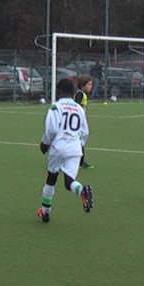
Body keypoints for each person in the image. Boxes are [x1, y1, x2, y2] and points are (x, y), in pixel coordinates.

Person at [37, 78, 94, 223]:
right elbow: (85, 132)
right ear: (73, 92)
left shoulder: (55, 107)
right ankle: (82, 190)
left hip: (59, 147)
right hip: (75, 149)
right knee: (69, 182)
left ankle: (45, 212)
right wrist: (79, 144)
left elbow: (51, 129)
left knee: (51, 178)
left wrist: (45, 143)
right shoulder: (79, 108)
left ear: (57, 91)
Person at [73, 74, 94, 169]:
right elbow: (76, 105)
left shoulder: (82, 93)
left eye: (91, 84)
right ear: (82, 85)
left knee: (81, 138)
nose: (91, 86)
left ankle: (81, 161)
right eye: (89, 84)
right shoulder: (80, 94)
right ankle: (79, 161)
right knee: (82, 137)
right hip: (78, 120)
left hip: (81, 119)